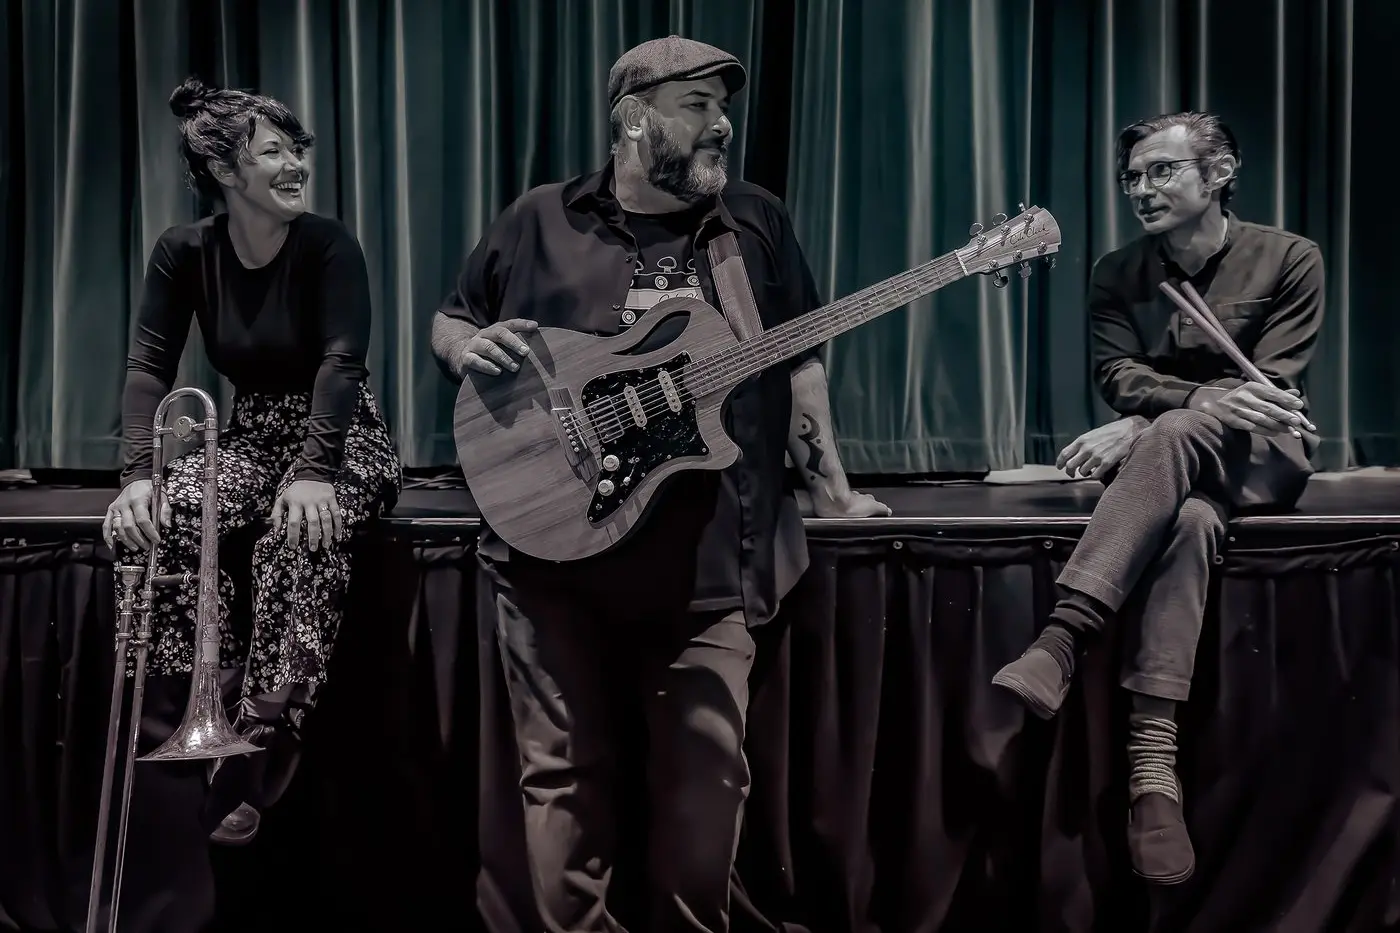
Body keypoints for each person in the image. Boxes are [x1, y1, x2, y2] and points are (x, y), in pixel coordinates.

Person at [432, 35, 888, 933]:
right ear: (635, 120)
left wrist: (831, 489)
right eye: (697, 107)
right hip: (548, 562)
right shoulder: (539, 217)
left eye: (725, 107)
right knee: (560, 777)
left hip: (706, 566)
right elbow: (456, 315)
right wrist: (461, 347)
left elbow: (801, 366)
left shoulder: (752, 221)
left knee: (707, 787)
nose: (722, 126)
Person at [992, 111, 1324, 885]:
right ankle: (1153, 774)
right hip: (1176, 474)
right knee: (1192, 521)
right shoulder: (1116, 271)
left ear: (1220, 173)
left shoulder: (1291, 258)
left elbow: (1268, 386)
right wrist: (1172, 408)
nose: (1141, 188)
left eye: (1162, 171)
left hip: (1266, 457)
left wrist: (1152, 419)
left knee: (1170, 430)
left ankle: (1063, 638)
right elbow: (1119, 377)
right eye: (1133, 176)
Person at [102, 75, 401, 875]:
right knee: (160, 519)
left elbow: (343, 363)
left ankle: (261, 741)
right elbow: (147, 367)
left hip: (341, 436)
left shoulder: (329, 244)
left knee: (298, 533)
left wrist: (315, 472)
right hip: (250, 432)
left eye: (297, 148)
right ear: (228, 174)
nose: (297, 163)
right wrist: (138, 475)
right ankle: (195, 702)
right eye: (275, 152)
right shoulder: (184, 251)